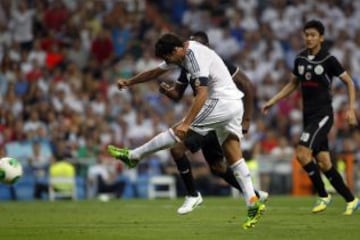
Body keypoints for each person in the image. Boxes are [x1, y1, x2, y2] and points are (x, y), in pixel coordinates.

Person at [108, 32, 265, 229]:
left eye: (167, 58)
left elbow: (201, 94)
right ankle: (253, 202)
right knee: (234, 157)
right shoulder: (183, 53)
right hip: (234, 104)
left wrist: (186, 123)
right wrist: (130, 82)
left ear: (175, 50)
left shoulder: (193, 57)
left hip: (221, 102)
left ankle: (134, 155)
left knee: (176, 133)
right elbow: (156, 72)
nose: (167, 62)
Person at [159, 31, 268, 215]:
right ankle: (253, 195)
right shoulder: (188, 65)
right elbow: (177, 95)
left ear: (207, 47)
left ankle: (193, 196)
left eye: (197, 45)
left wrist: (247, 119)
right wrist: (167, 91)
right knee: (218, 167)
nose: (192, 49)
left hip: (217, 115)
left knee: (177, 148)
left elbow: (247, 85)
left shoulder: (220, 64)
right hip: (207, 117)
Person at [262, 20, 359, 215]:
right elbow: (293, 84)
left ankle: (323, 195)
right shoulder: (300, 59)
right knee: (324, 162)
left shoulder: (329, 60)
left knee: (301, 153)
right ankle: (352, 200)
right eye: (306, 34)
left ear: (321, 38)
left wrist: (350, 109)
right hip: (308, 116)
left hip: (323, 115)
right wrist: (273, 100)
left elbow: (349, 83)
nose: (309, 38)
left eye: (313, 35)